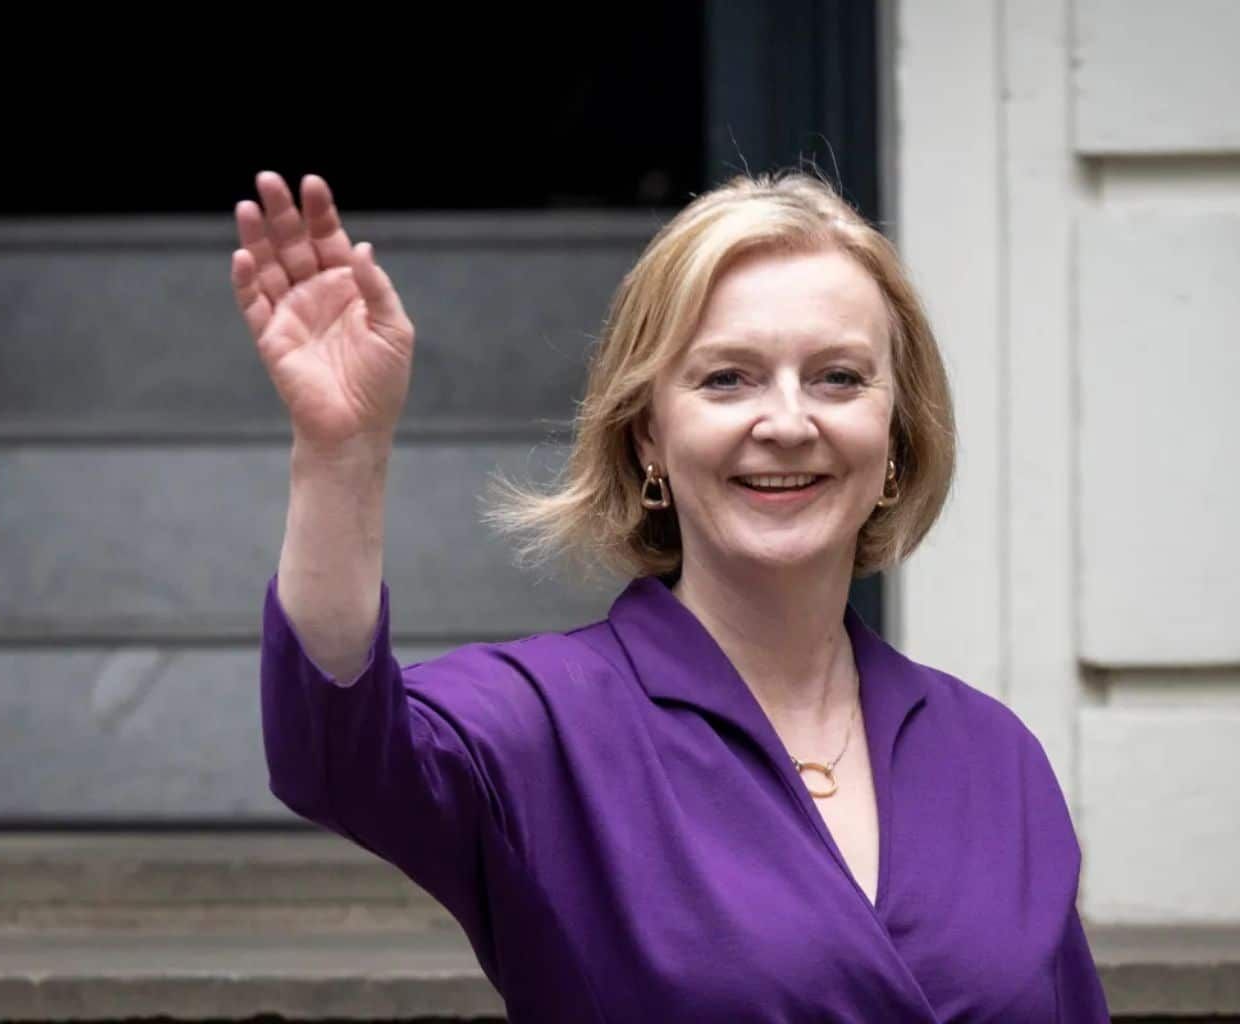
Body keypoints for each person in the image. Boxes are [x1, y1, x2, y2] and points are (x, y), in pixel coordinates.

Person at [233, 170, 1111, 1022]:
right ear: (648, 433)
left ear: (895, 432)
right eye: (727, 378)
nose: (788, 422)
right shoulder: (547, 723)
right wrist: (341, 455)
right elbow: (336, 754)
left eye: (839, 377)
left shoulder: (994, 755)